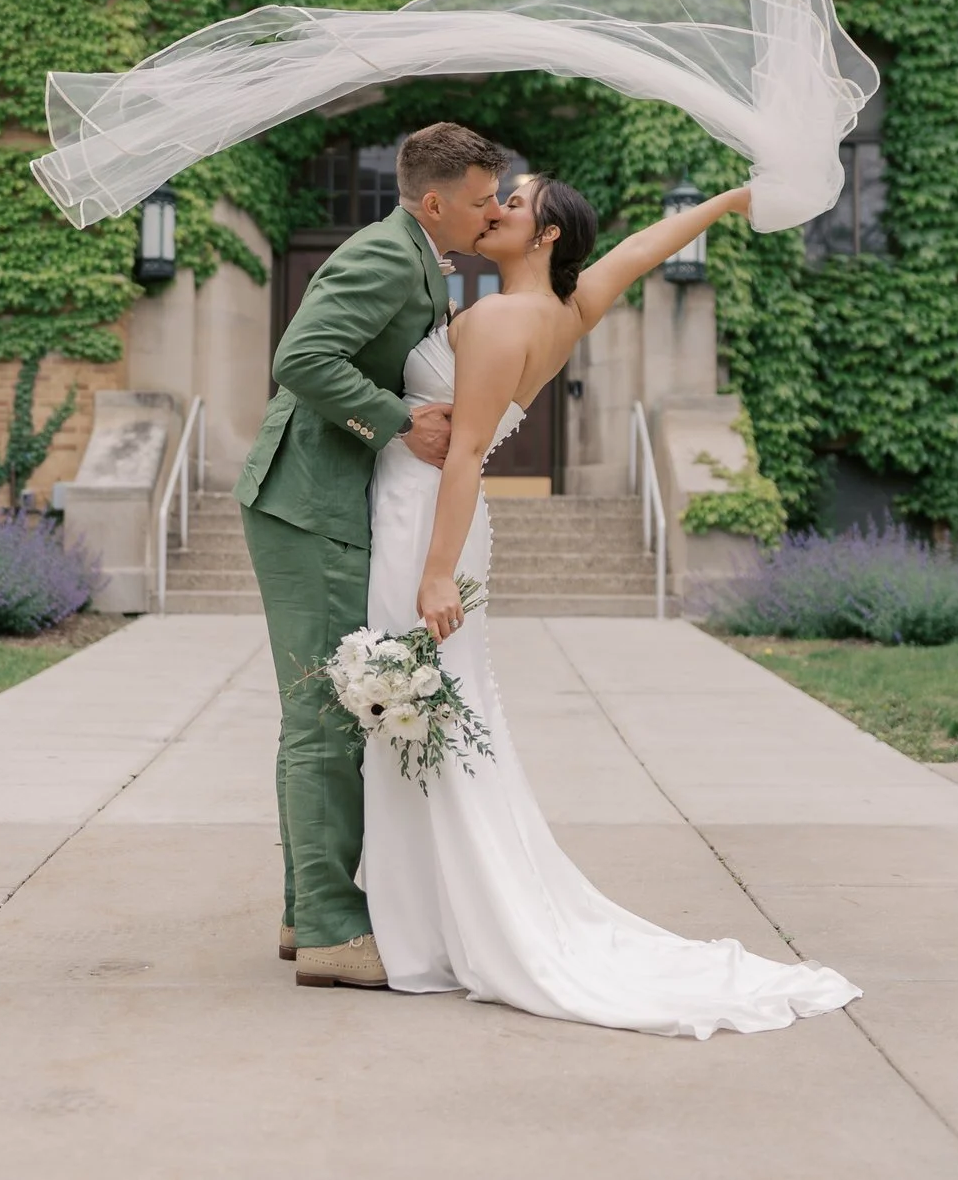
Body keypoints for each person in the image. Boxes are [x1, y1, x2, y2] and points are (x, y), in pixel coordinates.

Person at [359, 173, 863, 1037]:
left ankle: (431, 927)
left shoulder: (495, 320)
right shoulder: (567, 308)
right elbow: (638, 250)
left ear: (548, 235)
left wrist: (436, 574)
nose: (496, 209)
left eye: (513, 203)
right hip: (446, 523)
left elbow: (468, 452)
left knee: (421, 708)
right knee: (445, 707)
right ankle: (429, 907)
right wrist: (725, 201)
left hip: (426, 526)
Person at [234, 122, 509, 991]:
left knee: (326, 706)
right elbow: (299, 357)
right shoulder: (388, 255)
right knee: (323, 711)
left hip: (337, 500)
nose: (492, 210)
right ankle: (327, 927)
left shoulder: (422, 258)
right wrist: (396, 418)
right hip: (307, 500)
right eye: (479, 199)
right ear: (434, 202)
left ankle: (302, 908)